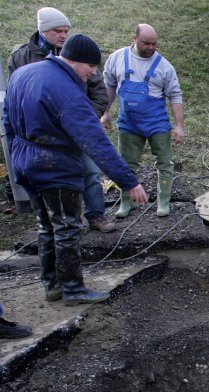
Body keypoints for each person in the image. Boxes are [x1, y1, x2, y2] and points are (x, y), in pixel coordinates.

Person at [3, 34, 148, 304]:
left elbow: (7, 121)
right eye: (91, 66)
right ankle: (73, 289)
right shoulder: (67, 92)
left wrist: (16, 153)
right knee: (67, 226)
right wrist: (128, 181)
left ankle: (53, 285)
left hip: (25, 161)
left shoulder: (23, 74)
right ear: (76, 60)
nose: (93, 73)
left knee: (46, 225)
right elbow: (95, 142)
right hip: (54, 167)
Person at [7, 7, 116, 232]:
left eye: (66, 30)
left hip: (78, 127)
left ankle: (96, 214)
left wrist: (86, 118)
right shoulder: (21, 56)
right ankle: (53, 221)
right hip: (44, 135)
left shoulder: (79, 52)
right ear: (43, 30)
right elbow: (15, 97)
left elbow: (99, 92)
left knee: (91, 171)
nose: (64, 35)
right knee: (52, 183)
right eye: (58, 31)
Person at [101, 23, 185, 218]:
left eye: (154, 44)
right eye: (146, 43)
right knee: (127, 163)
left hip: (156, 122)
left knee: (164, 163)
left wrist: (179, 126)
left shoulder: (164, 66)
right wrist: (105, 112)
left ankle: (163, 203)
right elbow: (109, 86)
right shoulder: (118, 58)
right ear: (134, 38)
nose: (151, 47)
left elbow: (175, 95)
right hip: (128, 122)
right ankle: (126, 203)